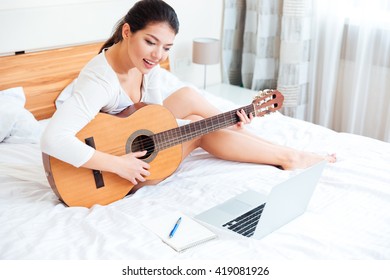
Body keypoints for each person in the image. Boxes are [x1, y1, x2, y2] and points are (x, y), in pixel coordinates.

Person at [41, 0, 336, 189]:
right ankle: (290, 157)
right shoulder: (99, 81)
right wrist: (120, 164)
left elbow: (152, 117)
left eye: (167, 48)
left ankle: (255, 137)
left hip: (126, 142)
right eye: (150, 42)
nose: (158, 55)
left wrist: (223, 121)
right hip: (112, 168)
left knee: (190, 99)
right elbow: (52, 138)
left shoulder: (146, 65)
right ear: (128, 32)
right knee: (199, 133)